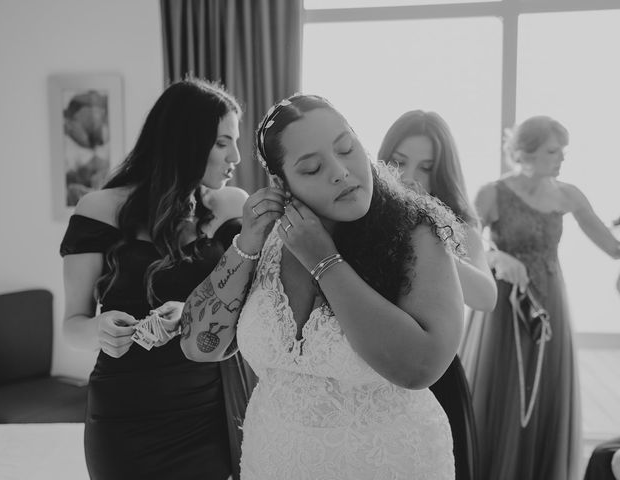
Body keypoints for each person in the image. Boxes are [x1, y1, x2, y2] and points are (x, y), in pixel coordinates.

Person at [178, 94, 467, 479]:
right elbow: (198, 345)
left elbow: (420, 368)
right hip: (274, 458)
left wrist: (324, 262)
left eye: (347, 149)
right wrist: (246, 243)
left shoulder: (415, 232)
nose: (340, 172)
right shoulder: (262, 239)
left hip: (390, 463)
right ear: (283, 183)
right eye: (312, 168)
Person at [60, 77, 254, 480]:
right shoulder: (99, 210)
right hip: (122, 419)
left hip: (206, 412)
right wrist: (99, 329)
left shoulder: (232, 208)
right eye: (221, 142)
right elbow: (71, 325)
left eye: (234, 141)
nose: (236, 155)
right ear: (184, 140)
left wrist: (195, 313)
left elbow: (253, 307)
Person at [459, 115, 620, 480]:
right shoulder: (492, 193)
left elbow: (613, 248)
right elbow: (466, 250)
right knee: (504, 391)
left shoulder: (568, 194)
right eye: (553, 150)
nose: (561, 158)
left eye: (563, 150)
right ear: (526, 151)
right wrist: (497, 257)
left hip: (551, 303)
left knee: (544, 390)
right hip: (503, 304)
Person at [378, 109, 497, 480]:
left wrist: (430, 240)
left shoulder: (457, 229)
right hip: (370, 371)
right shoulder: (361, 220)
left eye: (426, 167)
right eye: (399, 162)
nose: (410, 177)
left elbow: (486, 297)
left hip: (436, 377)